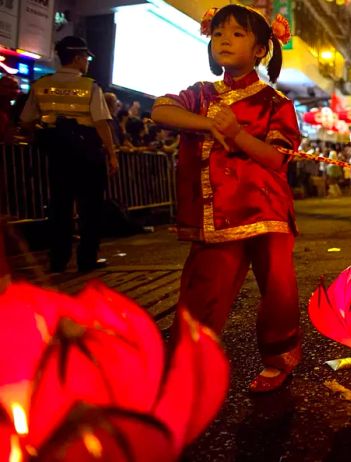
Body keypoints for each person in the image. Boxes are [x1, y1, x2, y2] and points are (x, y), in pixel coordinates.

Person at [152, 5, 300, 393]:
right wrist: (208, 125)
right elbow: (160, 111)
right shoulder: (199, 95)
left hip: (266, 211)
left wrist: (236, 134)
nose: (224, 40)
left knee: (278, 289)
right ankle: (189, 363)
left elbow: (276, 158)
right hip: (215, 214)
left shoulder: (275, 103)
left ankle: (279, 358)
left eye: (236, 34)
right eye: (218, 33)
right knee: (201, 290)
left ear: (260, 50)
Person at [20, 36, 118, 273]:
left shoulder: (41, 85)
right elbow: (101, 123)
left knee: (60, 207)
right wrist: (112, 154)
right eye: (86, 57)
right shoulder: (90, 86)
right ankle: (87, 260)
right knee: (90, 208)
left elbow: (26, 120)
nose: (87, 62)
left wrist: (37, 137)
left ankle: (58, 259)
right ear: (76, 58)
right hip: (87, 151)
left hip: (58, 152)